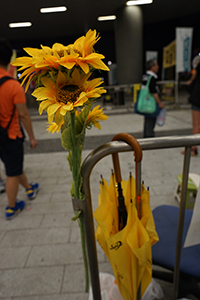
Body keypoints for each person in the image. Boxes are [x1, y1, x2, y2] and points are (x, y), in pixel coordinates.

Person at [0, 37, 39, 219]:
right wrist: (32, 137)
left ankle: (30, 189)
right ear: (9, 60)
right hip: (11, 134)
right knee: (12, 172)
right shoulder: (12, 85)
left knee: (13, 165)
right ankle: (11, 207)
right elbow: (23, 114)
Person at [142, 59, 164, 138]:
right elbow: (153, 91)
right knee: (151, 119)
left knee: (147, 119)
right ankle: (149, 137)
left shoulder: (145, 76)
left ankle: (146, 135)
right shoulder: (152, 77)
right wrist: (160, 103)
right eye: (156, 65)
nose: (158, 67)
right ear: (152, 67)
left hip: (145, 101)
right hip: (151, 102)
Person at [184, 55, 200, 156]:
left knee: (196, 125)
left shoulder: (199, 66)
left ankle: (193, 149)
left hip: (198, 98)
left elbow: (193, 77)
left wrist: (190, 82)